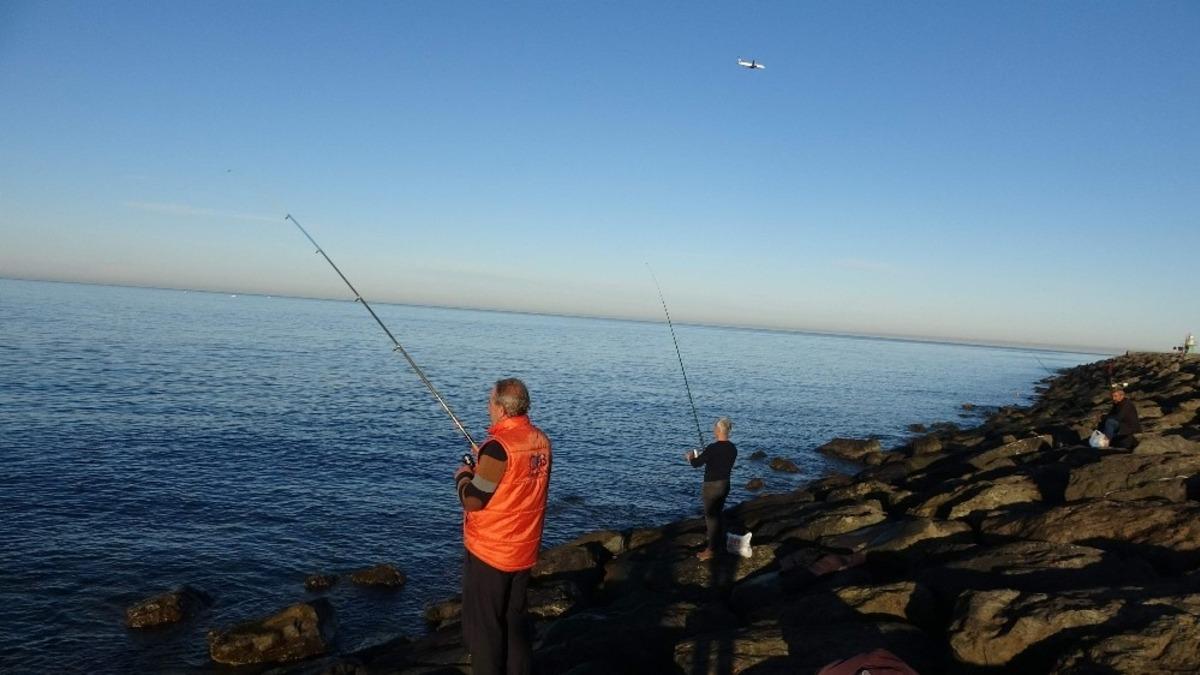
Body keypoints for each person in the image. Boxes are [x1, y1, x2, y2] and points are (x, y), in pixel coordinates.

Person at [454, 378, 552, 675]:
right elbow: (517, 481)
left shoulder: (498, 449)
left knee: (484, 630)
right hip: (524, 549)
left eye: (490, 400)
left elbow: (473, 500)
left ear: (501, 408)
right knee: (514, 621)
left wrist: (463, 475)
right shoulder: (540, 441)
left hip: (492, 551)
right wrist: (485, 462)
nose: (488, 406)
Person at [685, 417, 737, 561]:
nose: (713, 430)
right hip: (725, 484)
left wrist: (690, 457)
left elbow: (696, 464)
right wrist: (707, 455)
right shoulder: (733, 448)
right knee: (718, 514)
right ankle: (720, 544)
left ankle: (711, 550)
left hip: (711, 486)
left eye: (715, 427)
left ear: (719, 430)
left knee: (711, 518)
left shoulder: (712, 448)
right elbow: (719, 460)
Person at [1101, 383, 1141, 449]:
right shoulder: (1117, 404)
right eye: (1112, 396)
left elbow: (1119, 417)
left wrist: (1107, 418)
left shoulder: (1127, 404)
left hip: (1129, 427)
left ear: (1122, 396)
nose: (1113, 398)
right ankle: (1101, 440)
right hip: (1122, 425)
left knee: (1110, 422)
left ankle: (1105, 443)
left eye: (1115, 396)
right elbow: (1111, 414)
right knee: (1104, 422)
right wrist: (1104, 417)